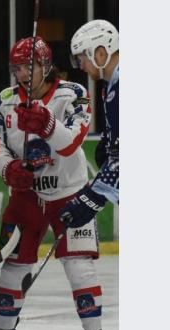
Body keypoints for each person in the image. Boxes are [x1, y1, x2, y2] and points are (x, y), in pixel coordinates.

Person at [0, 37, 108, 330]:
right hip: (27, 196)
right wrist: (9, 169)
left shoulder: (74, 95)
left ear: (46, 64)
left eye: (29, 67)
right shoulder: (6, 100)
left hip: (69, 193)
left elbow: (71, 144)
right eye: (16, 69)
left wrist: (46, 123)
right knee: (13, 266)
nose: (22, 74)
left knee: (79, 266)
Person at [60, 20, 119, 227]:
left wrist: (92, 198)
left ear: (101, 53)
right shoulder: (109, 86)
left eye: (82, 58)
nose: (80, 66)